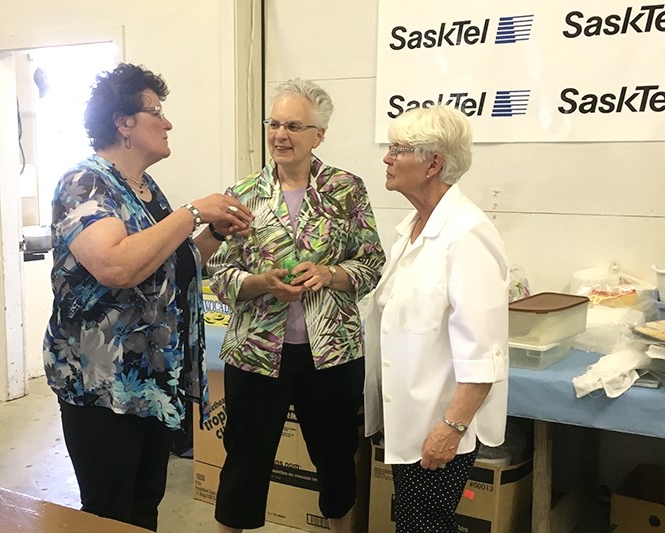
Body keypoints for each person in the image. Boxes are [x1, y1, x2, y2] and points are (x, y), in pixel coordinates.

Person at [42, 63, 252, 531]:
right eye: (156, 111)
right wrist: (193, 211)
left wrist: (214, 231)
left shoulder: (145, 190)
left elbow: (168, 268)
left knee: (143, 507)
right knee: (109, 511)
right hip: (103, 387)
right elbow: (116, 265)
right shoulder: (85, 182)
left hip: (152, 381)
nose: (168, 122)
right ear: (123, 122)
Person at [207, 79, 385, 533]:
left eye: (293, 125)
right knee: (245, 457)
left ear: (318, 135)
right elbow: (221, 272)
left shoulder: (347, 190)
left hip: (331, 353)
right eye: (274, 123)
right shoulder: (242, 193)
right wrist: (258, 283)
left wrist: (330, 274)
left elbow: (371, 262)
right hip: (256, 352)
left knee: (336, 457)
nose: (279, 135)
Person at [363, 104, 510, 533]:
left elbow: (484, 350)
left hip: (439, 421)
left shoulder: (466, 233)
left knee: (424, 525)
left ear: (434, 163)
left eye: (398, 149)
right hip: (409, 416)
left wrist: (451, 428)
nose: (387, 159)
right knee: (416, 522)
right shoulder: (412, 226)